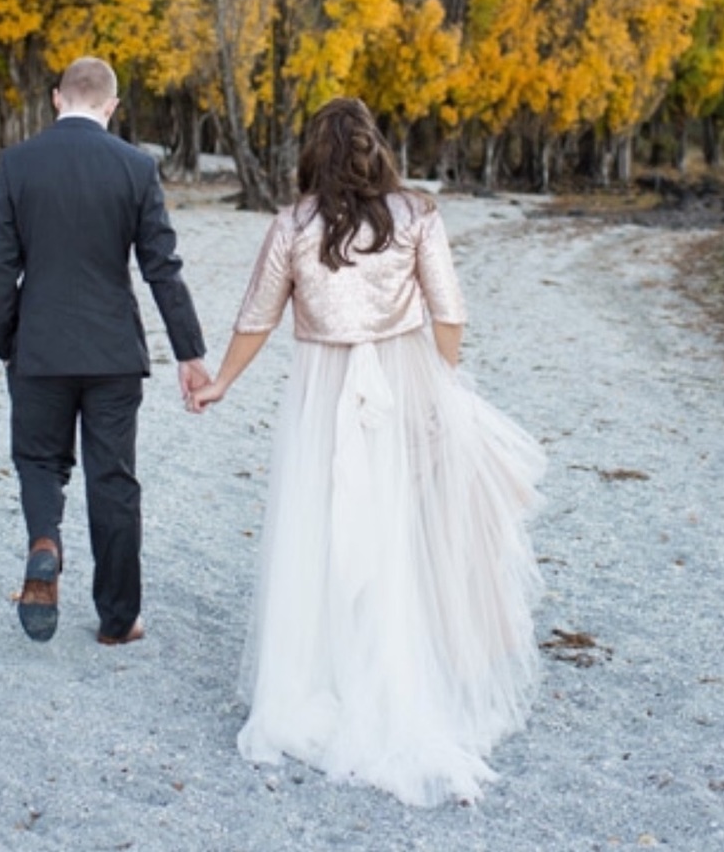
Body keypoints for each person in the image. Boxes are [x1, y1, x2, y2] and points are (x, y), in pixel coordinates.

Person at [188, 97, 546, 806]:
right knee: (399, 531)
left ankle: (323, 677)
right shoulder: (416, 216)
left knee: (323, 526)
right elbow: (450, 313)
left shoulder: (292, 225)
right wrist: (442, 391)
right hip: (402, 381)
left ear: (313, 154)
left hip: (322, 392)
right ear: (375, 149)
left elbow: (257, 315)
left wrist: (222, 381)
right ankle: (401, 673)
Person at [0, 56, 208, 646]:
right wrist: (189, 352)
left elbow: (0, 266)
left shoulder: (18, 164)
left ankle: (45, 545)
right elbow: (162, 267)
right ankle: (117, 620)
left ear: (57, 98)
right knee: (113, 479)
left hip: (40, 344)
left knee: (39, 460)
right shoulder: (136, 167)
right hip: (112, 353)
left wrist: (5, 335)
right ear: (111, 106)